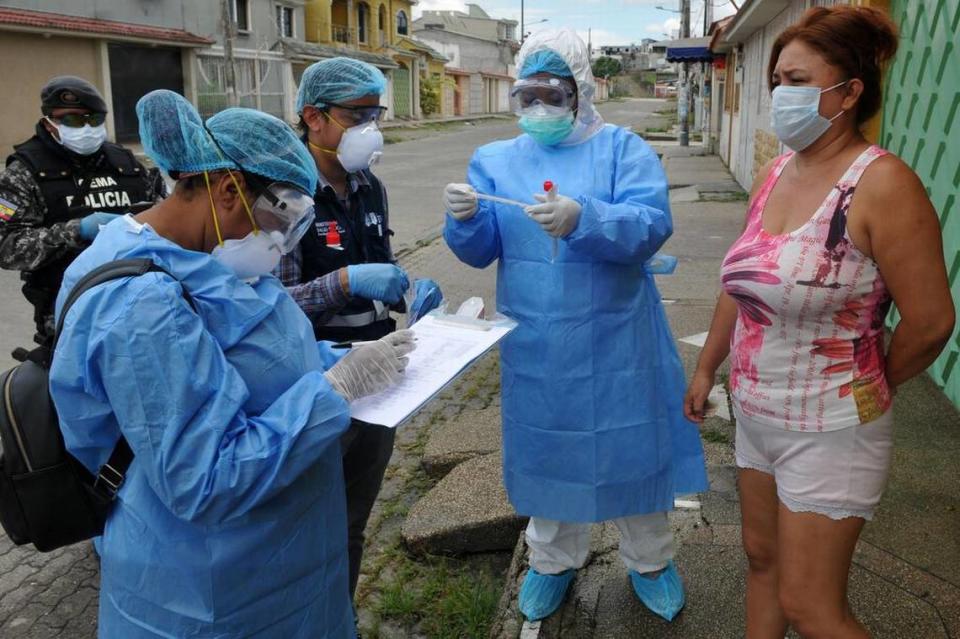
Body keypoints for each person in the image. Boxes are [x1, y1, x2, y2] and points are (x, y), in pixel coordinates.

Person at [49, 89, 416, 638]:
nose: (278, 238)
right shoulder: (142, 306)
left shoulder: (210, 260)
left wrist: (348, 359)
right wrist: (333, 393)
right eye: (279, 215)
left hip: (282, 567)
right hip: (214, 594)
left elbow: (261, 352)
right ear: (225, 189)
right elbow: (206, 480)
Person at [683, 7, 954, 638]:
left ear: (850, 92)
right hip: (755, 411)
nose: (780, 94)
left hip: (832, 428)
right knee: (761, 561)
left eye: (797, 80)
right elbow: (744, 281)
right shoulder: (777, 170)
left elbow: (933, 321)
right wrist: (706, 366)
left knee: (812, 607)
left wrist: (871, 380)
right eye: (777, 79)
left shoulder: (883, 185)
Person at [442, 29, 708, 623]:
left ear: (581, 90)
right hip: (537, 345)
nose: (538, 108)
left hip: (618, 342)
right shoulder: (494, 161)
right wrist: (462, 221)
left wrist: (584, 217)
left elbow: (650, 223)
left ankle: (651, 561)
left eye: (551, 94)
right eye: (526, 96)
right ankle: (552, 561)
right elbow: (481, 249)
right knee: (548, 454)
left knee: (632, 450)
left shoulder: (622, 150)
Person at [284, 56, 443, 598]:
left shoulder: (369, 186)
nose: (370, 127)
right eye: (358, 114)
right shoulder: (285, 192)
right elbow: (265, 310)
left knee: (352, 520)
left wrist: (407, 289)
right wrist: (345, 282)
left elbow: (382, 263)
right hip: (315, 381)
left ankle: (339, 618)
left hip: (381, 376)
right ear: (314, 116)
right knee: (302, 523)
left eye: (376, 112)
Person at [0, 75, 164, 352]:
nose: (86, 128)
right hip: (71, 315)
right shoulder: (22, 174)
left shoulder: (128, 165)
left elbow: (168, 213)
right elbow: (6, 247)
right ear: (49, 123)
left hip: (143, 304)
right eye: (73, 121)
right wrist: (75, 231)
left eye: (94, 119)